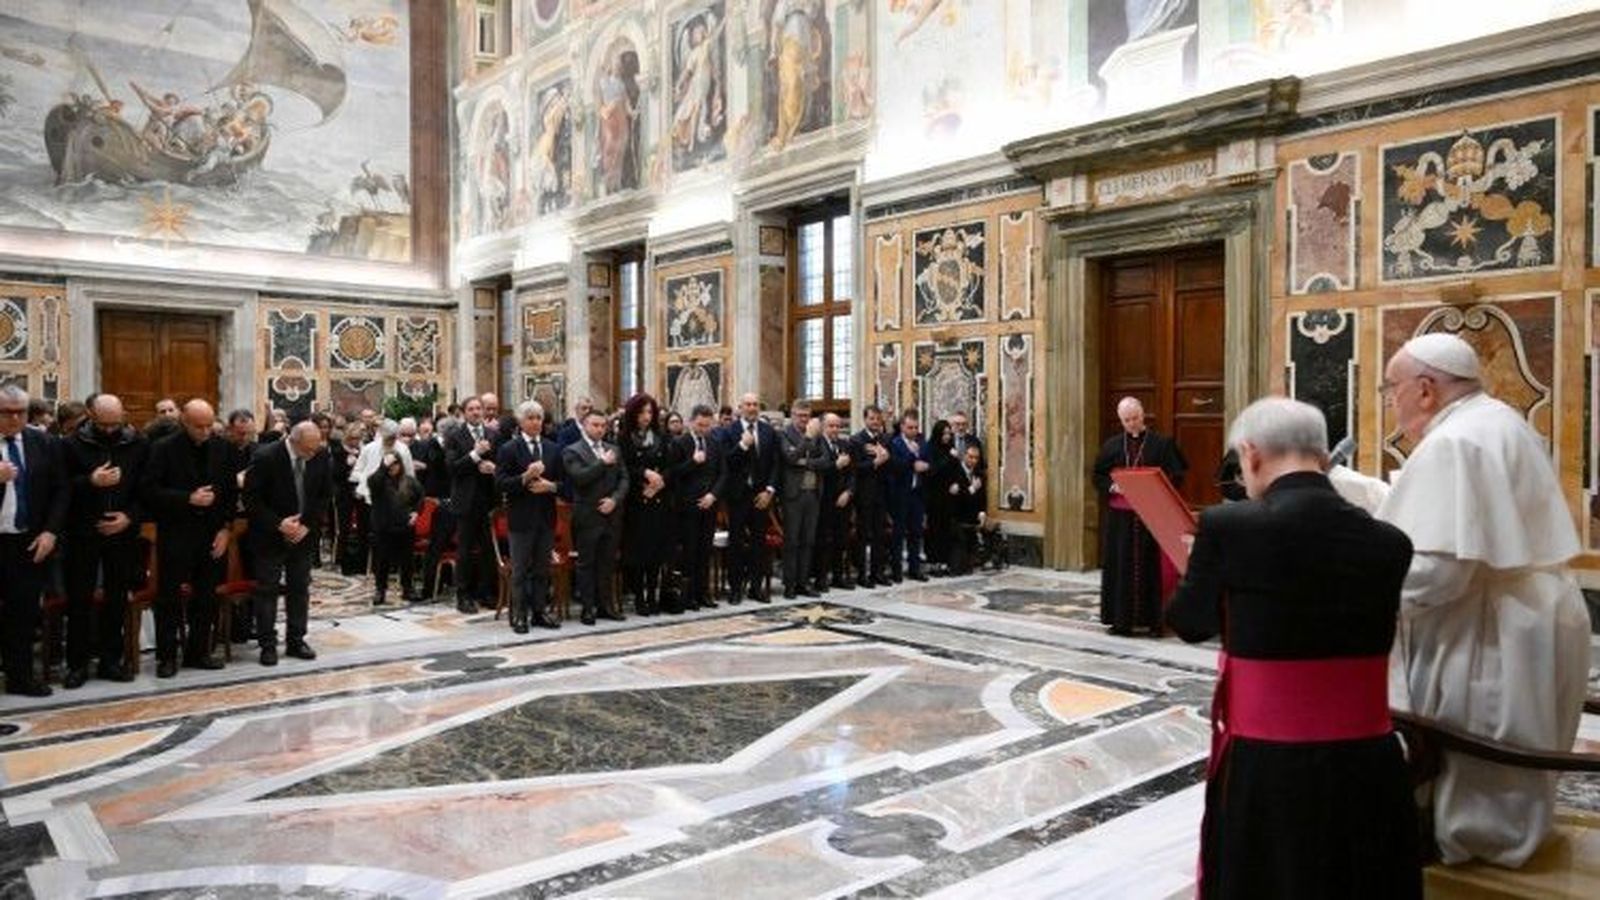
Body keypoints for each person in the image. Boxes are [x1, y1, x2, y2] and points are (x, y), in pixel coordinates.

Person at [1166, 398, 1420, 899]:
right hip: (1369, 763)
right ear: (1323, 459)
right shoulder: (1391, 541)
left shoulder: (1228, 527)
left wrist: (1201, 570)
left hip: (1269, 768)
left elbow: (1189, 623)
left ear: (1251, 454)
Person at [1373, 333, 1590, 867]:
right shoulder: (1499, 419)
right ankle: (1508, 837)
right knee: (1515, 751)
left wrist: (1363, 576)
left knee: (1484, 761)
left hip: (1490, 625)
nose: (1390, 400)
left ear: (1425, 390)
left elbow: (1438, 573)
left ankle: (1472, 842)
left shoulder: (1453, 442)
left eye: (1392, 388)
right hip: (1534, 611)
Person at [140, 400, 236, 677]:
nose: (205, 432)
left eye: (209, 425)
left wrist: (226, 529)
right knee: (169, 598)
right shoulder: (163, 449)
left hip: (212, 535)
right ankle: (167, 657)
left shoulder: (223, 448)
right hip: (176, 534)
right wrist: (187, 498)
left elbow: (230, 493)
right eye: (199, 426)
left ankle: (199, 652)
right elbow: (149, 491)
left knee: (206, 598)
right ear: (184, 421)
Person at [61, 393, 146, 687]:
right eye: (103, 424)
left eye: (115, 423)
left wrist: (128, 518)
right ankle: (77, 664)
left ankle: (111, 660)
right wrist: (90, 482)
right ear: (90, 416)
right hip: (83, 533)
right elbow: (60, 489)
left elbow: (145, 490)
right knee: (80, 600)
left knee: (116, 599)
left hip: (122, 534)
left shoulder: (137, 443)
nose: (110, 430)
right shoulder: (71, 445)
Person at [1092, 396, 1187, 636]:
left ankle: (1154, 623)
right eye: (1126, 420)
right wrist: (1114, 487)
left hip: (1151, 515)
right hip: (1121, 519)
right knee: (1121, 566)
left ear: (1143, 415)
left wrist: (1155, 487)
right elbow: (1098, 476)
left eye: (1135, 418)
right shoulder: (1112, 445)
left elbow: (1177, 474)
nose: (1132, 424)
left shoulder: (1161, 444)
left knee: (1151, 569)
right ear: (1121, 420)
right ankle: (1121, 622)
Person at [244, 421, 331, 666]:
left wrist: (307, 525)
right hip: (270, 535)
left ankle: (296, 640)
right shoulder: (266, 456)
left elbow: (324, 495)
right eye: (307, 449)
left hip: (303, 535)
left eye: (315, 449)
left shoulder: (321, 455)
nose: (312, 454)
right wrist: (278, 524)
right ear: (293, 441)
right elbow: (251, 499)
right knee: (267, 590)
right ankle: (268, 645)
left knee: (299, 589)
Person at [0, 386, 68, 696]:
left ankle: (20, 677)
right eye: (7, 412)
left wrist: (50, 531)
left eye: (20, 412)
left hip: (29, 541)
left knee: (24, 613)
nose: (14, 419)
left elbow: (61, 490)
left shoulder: (43, 442)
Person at [494, 400, 563, 632]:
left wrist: (551, 487)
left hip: (546, 517)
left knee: (542, 569)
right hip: (521, 518)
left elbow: (566, 484)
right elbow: (501, 483)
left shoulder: (553, 448)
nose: (535, 422)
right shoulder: (509, 449)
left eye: (539, 418)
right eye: (530, 418)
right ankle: (519, 614)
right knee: (521, 570)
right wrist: (524, 477)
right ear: (521, 422)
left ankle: (539, 612)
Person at [563, 410, 629, 625]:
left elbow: (624, 479)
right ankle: (588, 608)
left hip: (612, 514)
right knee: (587, 564)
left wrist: (615, 500)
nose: (600, 429)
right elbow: (579, 478)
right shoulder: (573, 450)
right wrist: (601, 463)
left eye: (603, 425)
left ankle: (605, 606)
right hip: (587, 515)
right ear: (584, 426)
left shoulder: (614, 449)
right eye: (595, 425)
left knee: (607, 563)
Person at [720, 393, 780, 604]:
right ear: (741, 407)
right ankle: (735, 589)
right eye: (748, 404)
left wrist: (770, 491)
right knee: (736, 543)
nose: (752, 408)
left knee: (758, 543)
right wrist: (743, 446)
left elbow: (775, 463)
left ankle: (756, 587)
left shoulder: (768, 431)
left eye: (755, 404)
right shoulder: (729, 431)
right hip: (737, 495)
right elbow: (726, 462)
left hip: (760, 495)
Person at [619, 393, 674, 616]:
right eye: (642, 412)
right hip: (636, 501)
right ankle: (640, 597)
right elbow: (625, 467)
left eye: (650, 412)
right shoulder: (624, 438)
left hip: (658, 500)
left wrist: (660, 482)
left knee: (656, 553)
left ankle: (653, 595)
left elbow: (671, 466)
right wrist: (644, 473)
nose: (646, 417)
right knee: (638, 553)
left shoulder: (662, 437)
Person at [445, 397, 498, 613]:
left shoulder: (493, 434)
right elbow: (452, 468)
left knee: (488, 550)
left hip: (487, 501)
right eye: (471, 409)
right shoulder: (454, 436)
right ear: (464, 412)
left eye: (479, 409)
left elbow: (503, 462)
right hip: (465, 501)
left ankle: (486, 593)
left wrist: (493, 466)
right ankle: (463, 596)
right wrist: (475, 455)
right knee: (465, 550)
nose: (476, 412)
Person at [671, 404, 726, 611]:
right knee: (690, 552)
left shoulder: (715, 443)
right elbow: (674, 474)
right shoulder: (680, 443)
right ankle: (689, 595)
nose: (703, 429)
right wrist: (693, 462)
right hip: (687, 507)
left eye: (707, 425)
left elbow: (723, 473)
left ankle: (704, 592)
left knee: (705, 551)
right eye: (700, 425)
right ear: (691, 422)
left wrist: (713, 495)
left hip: (709, 504)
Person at [778, 400, 829, 599]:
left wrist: (805, 462)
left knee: (808, 541)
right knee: (792, 541)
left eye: (807, 416)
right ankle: (789, 584)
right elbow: (790, 458)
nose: (804, 420)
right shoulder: (784, 434)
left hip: (813, 493)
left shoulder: (817, 435)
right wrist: (806, 439)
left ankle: (803, 582)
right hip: (793, 494)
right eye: (800, 416)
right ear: (792, 414)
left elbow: (825, 460)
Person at [366, 450, 423, 606]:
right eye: (389, 464)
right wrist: (384, 465)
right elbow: (374, 481)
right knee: (382, 561)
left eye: (395, 463)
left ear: (401, 464)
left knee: (407, 561)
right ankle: (380, 590)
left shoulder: (409, 481)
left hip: (405, 527)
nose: (392, 467)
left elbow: (420, 498)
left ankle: (407, 589)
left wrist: (416, 513)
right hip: (383, 527)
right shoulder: (377, 480)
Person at [850, 405, 894, 587]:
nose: (875, 422)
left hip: (881, 494)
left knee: (879, 535)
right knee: (863, 535)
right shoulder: (856, 440)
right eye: (872, 419)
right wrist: (875, 462)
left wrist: (886, 458)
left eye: (878, 418)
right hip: (864, 494)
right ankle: (862, 574)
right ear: (865, 420)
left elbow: (890, 465)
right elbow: (855, 468)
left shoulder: (885, 439)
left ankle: (878, 572)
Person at [888, 408, 930, 582]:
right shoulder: (895, 443)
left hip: (917, 494)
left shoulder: (922, 441)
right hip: (900, 494)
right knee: (898, 534)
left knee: (916, 532)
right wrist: (913, 461)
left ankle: (915, 568)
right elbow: (896, 465)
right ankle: (896, 570)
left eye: (915, 427)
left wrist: (926, 466)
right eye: (910, 428)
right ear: (903, 427)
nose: (913, 431)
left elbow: (929, 460)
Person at [813, 412, 854, 592]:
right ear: (823, 427)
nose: (835, 429)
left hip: (843, 500)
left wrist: (849, 491)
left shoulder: (844, 444)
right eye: (831, 426)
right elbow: (817, 469)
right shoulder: (817, 444)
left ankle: (838, 576)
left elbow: (853, 472)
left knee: (841, 539)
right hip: (824, 500)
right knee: (824, 540)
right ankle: (821, 578)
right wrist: (836, 465)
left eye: (838, 426)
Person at [924, 419, 958, 576]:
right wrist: (949, 458)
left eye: (949, 433)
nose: (947, 437)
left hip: (948, 496)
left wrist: (956, 483)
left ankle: (944, 561)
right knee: (934, 529)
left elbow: (956, 470)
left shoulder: (951, 448)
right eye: (944, 433)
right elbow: (932, 471)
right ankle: (933, 562)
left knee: (946, 529)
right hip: (933, 495)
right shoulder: (930, 448)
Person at [949, 444, 988, 575]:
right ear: (964, 456)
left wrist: (982, 512)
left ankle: (968, 565)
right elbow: (956, 496)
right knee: (959, 546)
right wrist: (972, 489)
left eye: (976, 458)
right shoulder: (955, 471)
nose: (973, 460)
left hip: (972, 515)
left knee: (972, 546)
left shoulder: (979, 474)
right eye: (970, 457)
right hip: (957, 515)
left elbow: (982, 496)